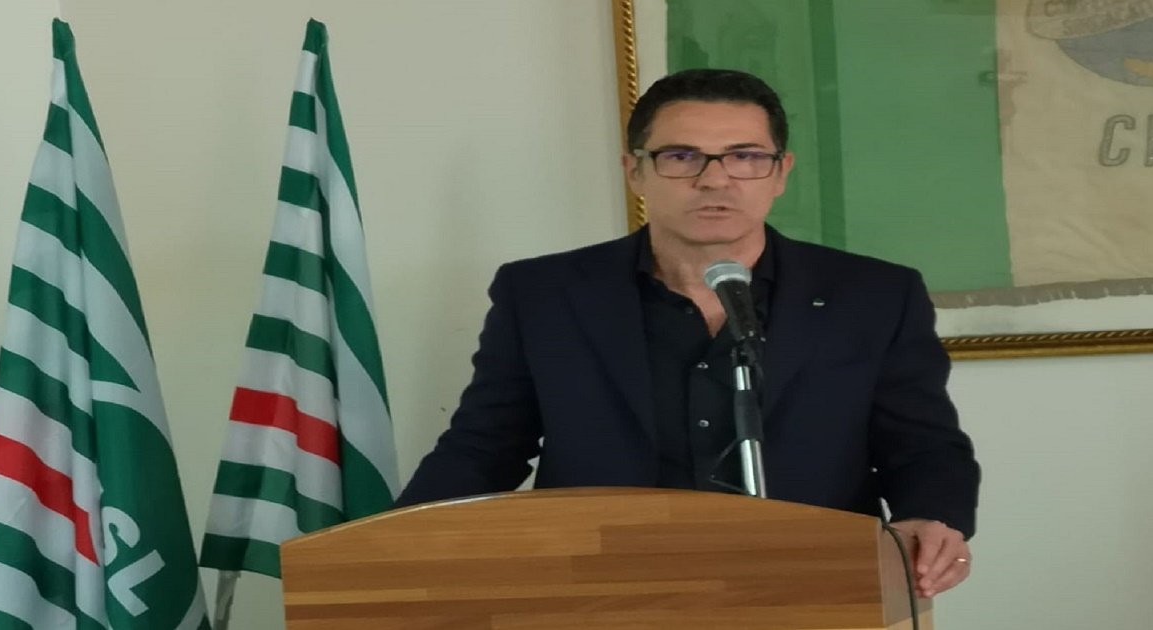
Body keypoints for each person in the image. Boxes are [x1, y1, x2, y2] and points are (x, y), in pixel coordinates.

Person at [396, 68, 980, 598]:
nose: (715, 179)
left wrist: (928, 516)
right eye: (682, 156)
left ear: (781, 172)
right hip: (598, 591)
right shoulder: (543, 293)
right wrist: (392, 546)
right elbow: (485, 445)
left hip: (817, 585)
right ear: (635, 171)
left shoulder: (874, 295)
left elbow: (923, 444)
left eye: (745, 156)